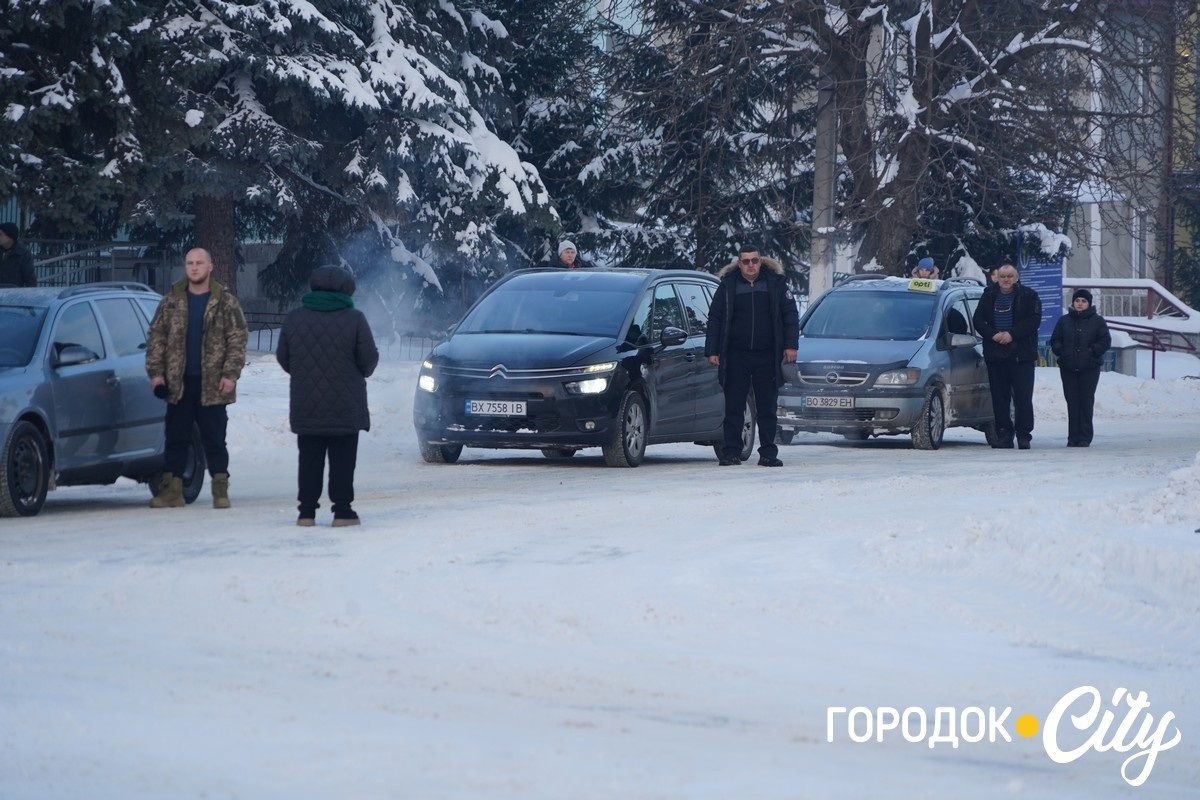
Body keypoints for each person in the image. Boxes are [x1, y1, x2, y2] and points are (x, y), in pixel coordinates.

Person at [145, 247, 248, 508]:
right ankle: (172, 491)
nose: (194, 267)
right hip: (178, 384)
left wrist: (230, 375)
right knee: (176, 437)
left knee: (214, 439)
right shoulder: (171, 301)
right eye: (189, 263)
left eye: (199, 263)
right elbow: (156, 338)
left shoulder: (225, 302)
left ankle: (220, 490)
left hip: (213, 384)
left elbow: (237, 340)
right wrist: (156, 374)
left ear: (210, 267)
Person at [276, 265, 379, 527]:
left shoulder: (294, 318)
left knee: (309, 459)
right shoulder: (355, 319)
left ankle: (306, 513)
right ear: (347, 290)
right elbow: (368, 362)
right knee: (343, 461)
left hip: (307, 404)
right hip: (345, 406)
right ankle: (343, 512)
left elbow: (284, 358)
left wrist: (305, 375)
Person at [705, 244, 799, 466]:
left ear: (760, 261)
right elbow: (715, 318)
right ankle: (731, 452)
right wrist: (712, 350)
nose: (750, 265)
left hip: (767, 355)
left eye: (754, 260)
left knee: (767, 407)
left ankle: (768, 453)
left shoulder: (775, 284)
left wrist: (790, 345)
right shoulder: (728, 286)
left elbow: (790, 316)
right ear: (739, 264)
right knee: (734, 406)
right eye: (745, 261)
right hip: (736, 355)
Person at [972, 263, 1042, 449]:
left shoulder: (1029, 296)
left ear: (1016, 278)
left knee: (1023, 397)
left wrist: (1012, 334)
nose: (1006, 279)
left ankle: (1024, 434)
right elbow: (978, 319)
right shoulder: (988, 295)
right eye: (1003, 276)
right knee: (999, 397)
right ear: (997, 277)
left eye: (1010, 276)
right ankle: (1004, 434)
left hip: (1021, 354)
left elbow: (1033, 321)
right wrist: (993, 334)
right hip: (996, 354)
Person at [1050, 289, 1111, 447]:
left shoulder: (1097, 321)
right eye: (1077, 301)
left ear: (1089, 304)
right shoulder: (1064, 321)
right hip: (1068, 367)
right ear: (1073, 303)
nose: (1080, 304)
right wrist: (1062, 352)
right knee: (1072, 402)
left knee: (1085, 401)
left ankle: (1084, 436)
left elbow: (1105, 341)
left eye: (1083, 301)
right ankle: (1072, 437)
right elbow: (1055, 339)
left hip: (1089, 367)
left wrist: (1092, 352)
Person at [0, 222, 37, 287]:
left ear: (10, 237)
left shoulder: (23, 254)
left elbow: (30, 280)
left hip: (13, 294)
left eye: (0, 234)